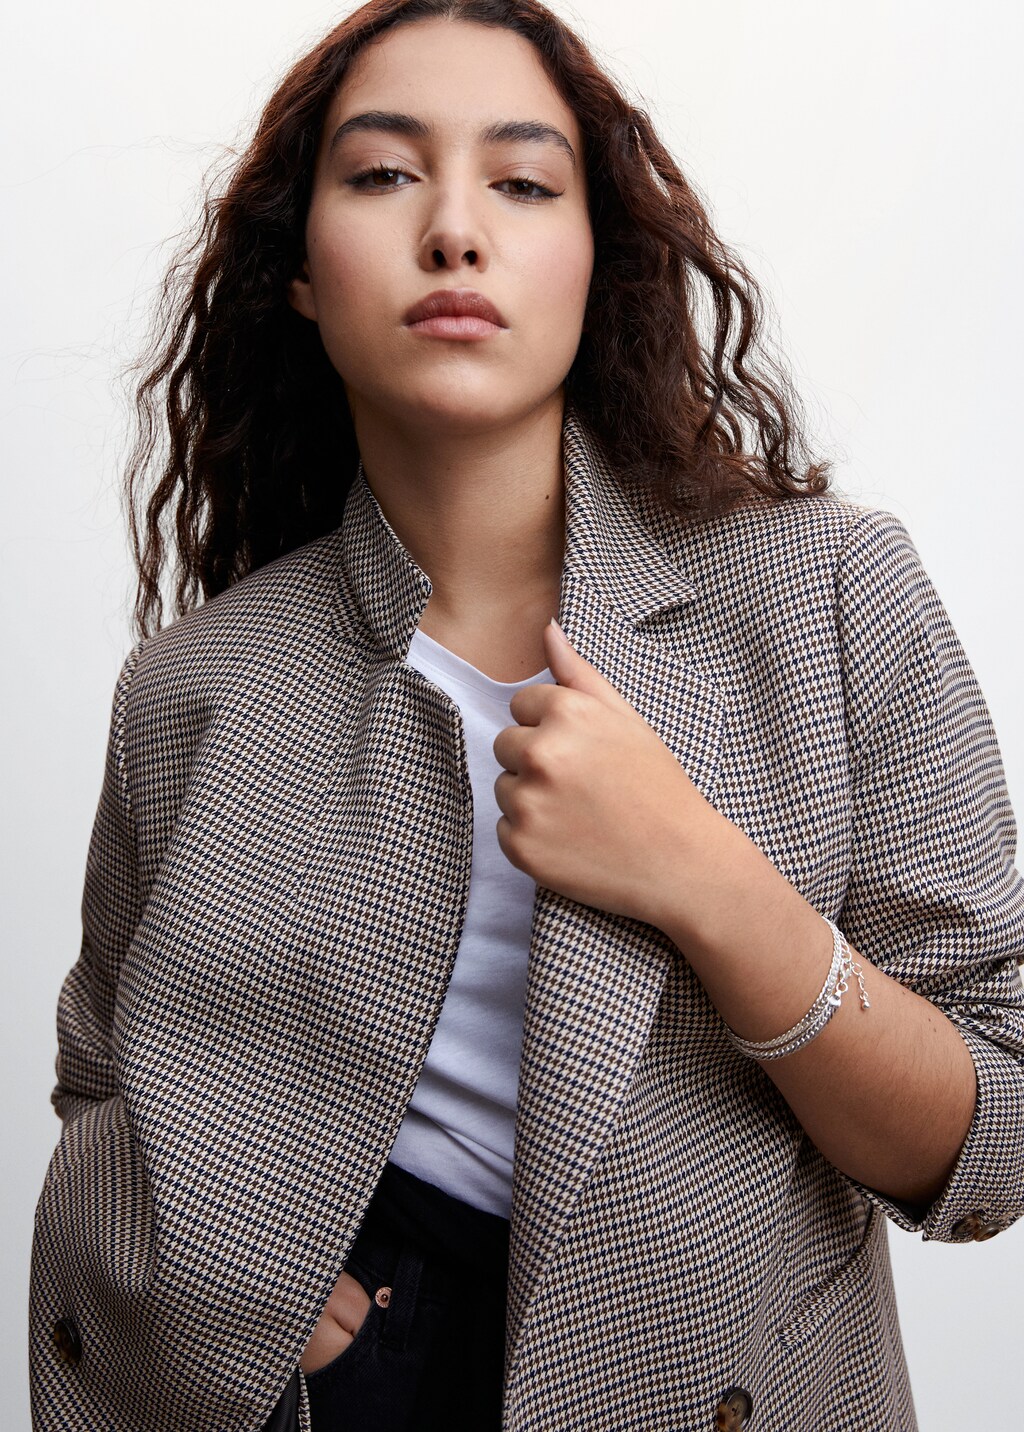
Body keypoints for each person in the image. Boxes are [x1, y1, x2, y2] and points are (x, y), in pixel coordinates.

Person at [28, 1, 1024, 1429]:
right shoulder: (194, 683)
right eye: (384, 174)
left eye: (522, 182)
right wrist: (239, 1293)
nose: (453, 230)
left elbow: (997, 1139)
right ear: (299, 269)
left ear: (597, 256)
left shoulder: (830, 594)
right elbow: (101, 1088)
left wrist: (700, 872)